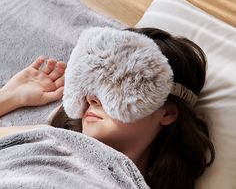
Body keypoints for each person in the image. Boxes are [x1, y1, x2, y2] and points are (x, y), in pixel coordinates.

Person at [0, 27, 215, 189]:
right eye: (93, 82)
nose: (92, 98)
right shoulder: (46, 136)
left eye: (120, 84)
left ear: (167, 112)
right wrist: (10, 97)